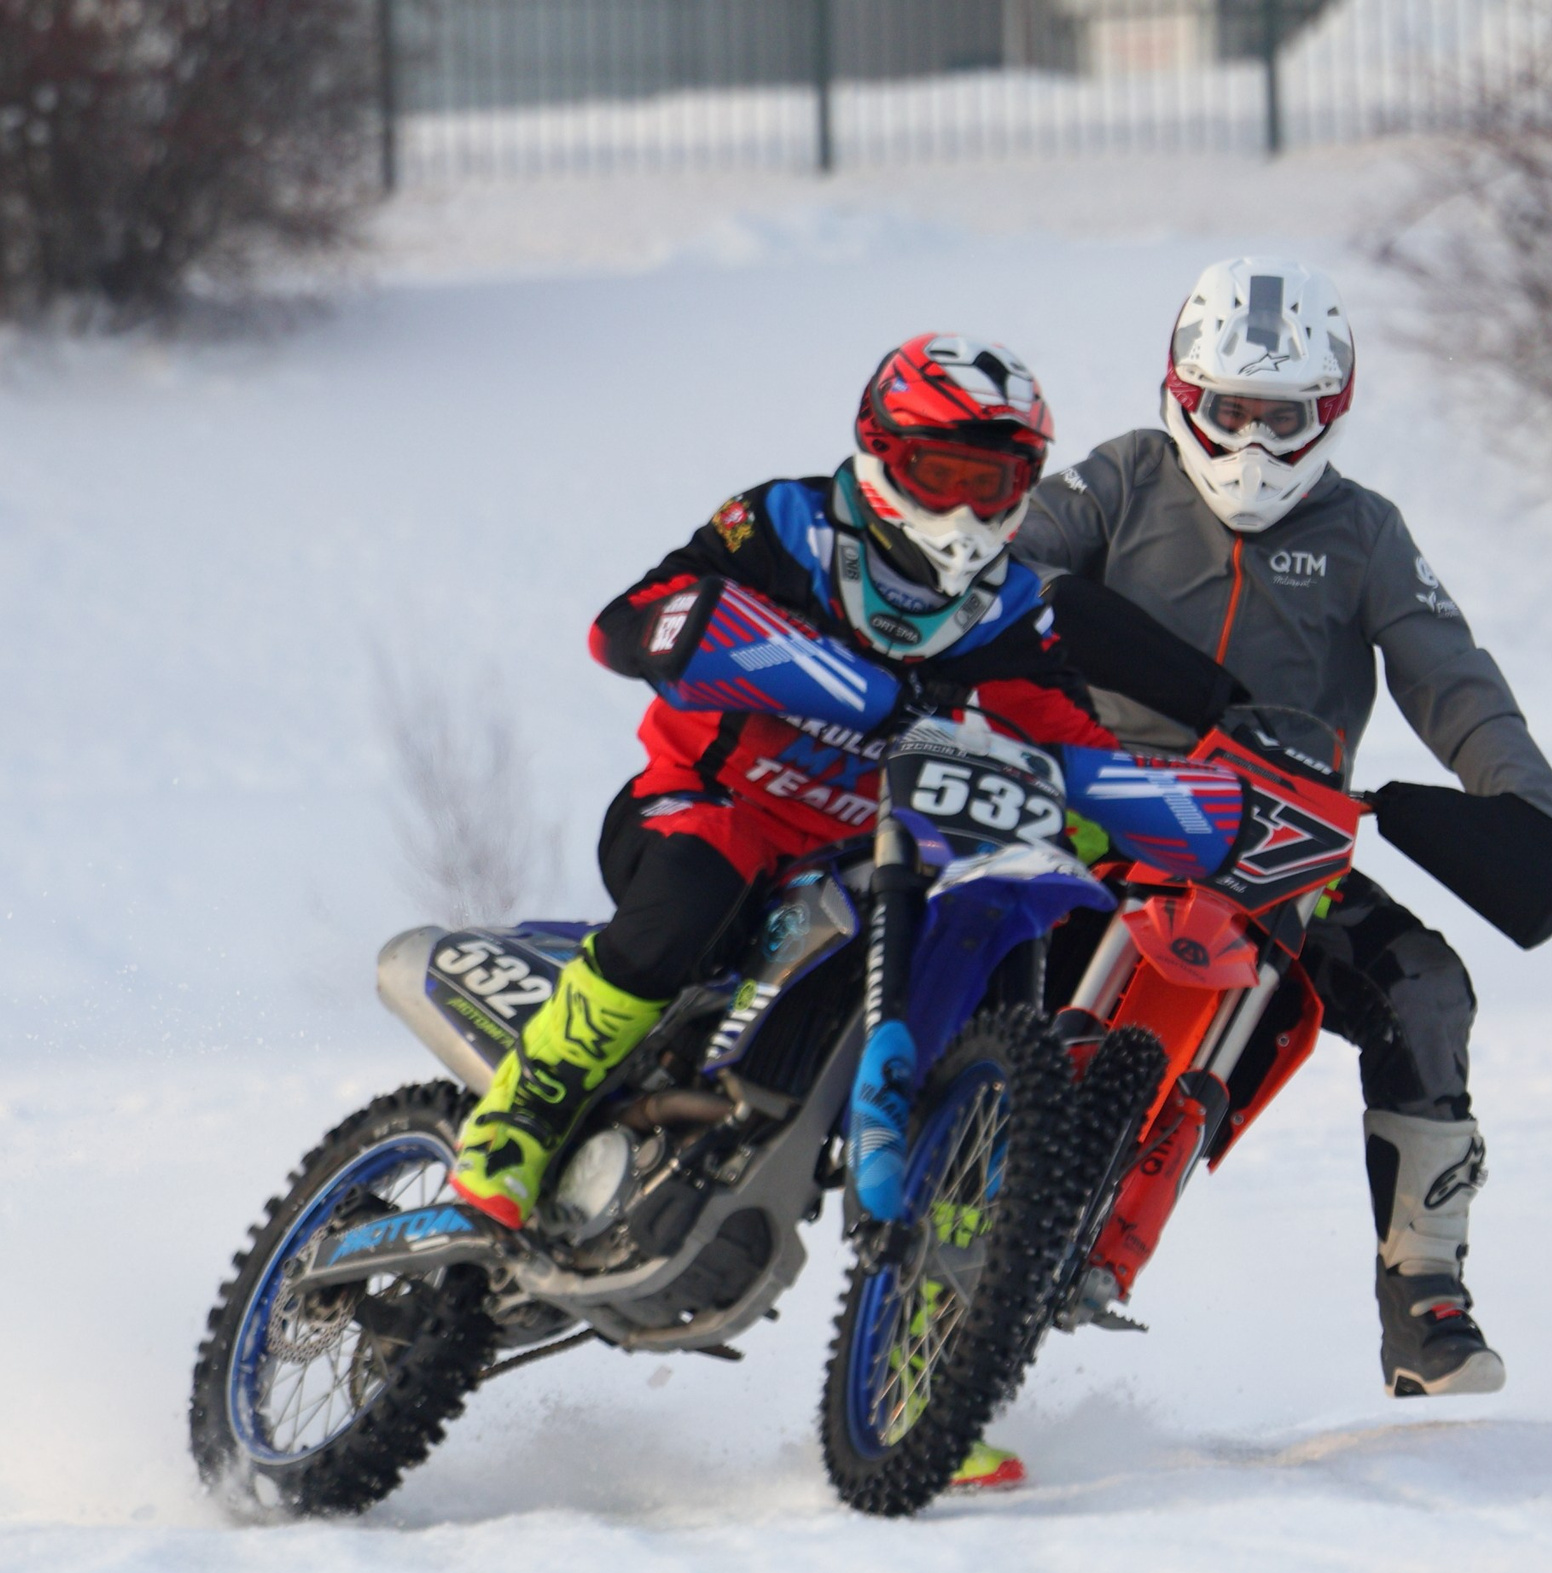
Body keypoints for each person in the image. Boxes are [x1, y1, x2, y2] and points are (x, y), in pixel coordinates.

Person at [444, 334, 1255, 1485]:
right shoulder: (781, 527)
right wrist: (824, 678)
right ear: (879, 455)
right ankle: (519, 1116)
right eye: (941, 474)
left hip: (868, 858)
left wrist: (1194, 811)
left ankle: (937, 1371)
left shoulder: (1015, 611)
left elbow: (1072, 741)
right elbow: (631, 622)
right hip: (712, 805)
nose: (967, 508)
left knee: (997, 958)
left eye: (995, 482)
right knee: (687, 902)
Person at [1012, 258, 1552, 1399]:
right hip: (1096, 812)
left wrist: (1522, 809)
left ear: (1332, 414)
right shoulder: (1116, 480)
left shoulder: (1366, 532)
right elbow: (1002, 570)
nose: (1255, 443)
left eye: (1286, 417)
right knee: (960, 921)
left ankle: (1425, 1292)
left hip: (1284, 848)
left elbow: (1450, 675)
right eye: (1231, 411)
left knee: (1424, 986)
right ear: (1183, 393)